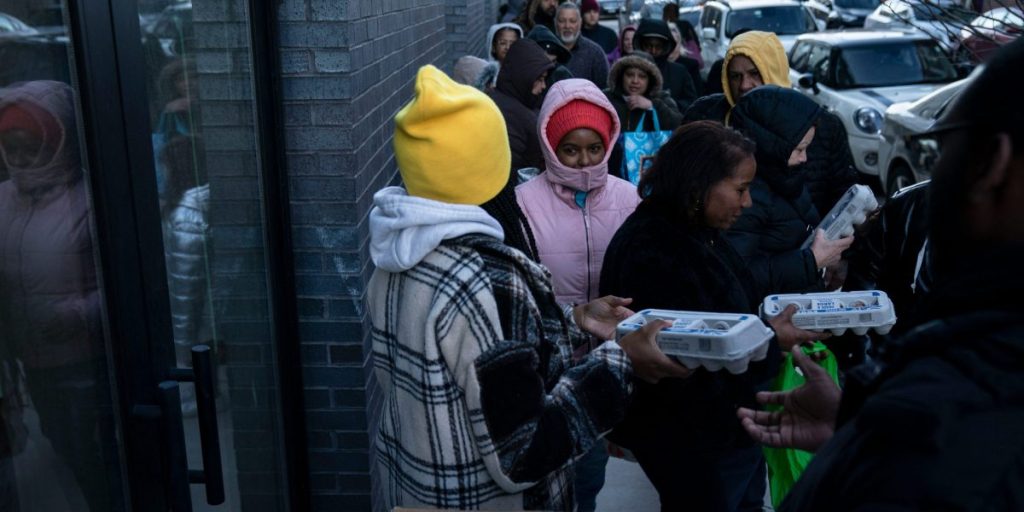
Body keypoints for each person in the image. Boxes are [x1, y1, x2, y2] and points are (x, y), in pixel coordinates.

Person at [368, 64, 689, 511]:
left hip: (419, 490)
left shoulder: (396, 256)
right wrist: (620, 358)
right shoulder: (489, 280)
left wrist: (576, 319)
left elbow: (484, 358)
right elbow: (524, 451)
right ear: (491, 167)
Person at [739, 40, 1024, 511]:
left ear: (990, 164)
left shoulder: (953, 422)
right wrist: (856, 430)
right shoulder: (959, 381)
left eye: (942, 149)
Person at [600, 121, 823, 512]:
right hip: (695, 442)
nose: (748, 202)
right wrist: (772, 342)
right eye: (740, 189)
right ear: (699, 186)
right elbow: (690, 361)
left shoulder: (695, 231)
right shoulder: (654, 251)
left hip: (729, 431)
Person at [515, 78, 641, 511]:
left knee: (588, 478)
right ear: (550, 146)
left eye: (594, 147)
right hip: (549, 367)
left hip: (608, 364)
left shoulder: (629, 198)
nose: (585, 160)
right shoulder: (524, 203)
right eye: (571, 150)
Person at [0, 80, 121, 512]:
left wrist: (74, 314)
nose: (18, 159)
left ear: (58, 142)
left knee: (95, 457)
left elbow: (131, 287)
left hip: (83, 362)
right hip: (30, 363)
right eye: (9, 147)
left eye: (29, 146)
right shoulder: (2, 199)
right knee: (61, 443)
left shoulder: (92, 202)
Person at [684, 31, 859, 216]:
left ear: (774, 70)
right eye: (735, 76)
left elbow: (842, 190)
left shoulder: (823, 125)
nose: (744, 85)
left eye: (754, 74)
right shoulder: (705, 116)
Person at [725, 85, 853, 296]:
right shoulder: (748, 197)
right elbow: (736, 276)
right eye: (799, 149)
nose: (804, 158)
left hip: (796, 304)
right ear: (773, 146)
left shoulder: (785, 176)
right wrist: (811, 261)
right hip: (770, 317)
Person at [159, 135, 216, 416]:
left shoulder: (186, 216)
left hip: (200, 322)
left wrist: (181, 350)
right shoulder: (197, 204)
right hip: (209, 318)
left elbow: (185, 291)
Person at [488, 38, 555, 172]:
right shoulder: (509, 115)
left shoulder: (522, 102)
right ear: (524, 76)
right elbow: (510, 173)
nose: (543, 86)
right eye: (539, 79)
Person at [604, 51, 682, 146]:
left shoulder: (662, 98)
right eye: (629, 75)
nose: (635, 81)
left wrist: (652, 106)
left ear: (650, 80)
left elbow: (678, 124)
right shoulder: (606, 98)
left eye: (642, 76)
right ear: (621, 76)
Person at [632, 19, 697, 111]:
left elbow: (691, 103)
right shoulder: (628, 70)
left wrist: (659, 105)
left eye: (658, 46)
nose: (653, 51)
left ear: (665, 47)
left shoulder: (679, 72)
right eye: (648, 46)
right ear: (640, 45)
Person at [555, 2, 609, 89]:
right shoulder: (546, 51)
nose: (567, 26)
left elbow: (605, 90)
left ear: (580, 23)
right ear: (555, 23)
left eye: (572, 21)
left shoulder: (595, 53)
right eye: (562, 21)